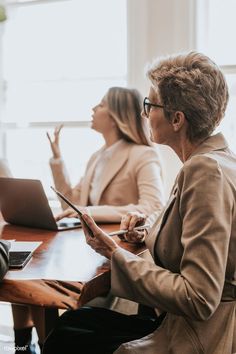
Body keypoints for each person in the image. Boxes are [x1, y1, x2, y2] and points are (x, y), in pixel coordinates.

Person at [43, 51, 236, 354]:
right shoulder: (217, 161)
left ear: (176, 119)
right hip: (182, 321)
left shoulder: (204, 171)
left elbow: (198, 297)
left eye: (150, 105)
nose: (144, 114)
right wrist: (147, 232)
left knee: (67, 334)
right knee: (74, 324)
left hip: (198, 335)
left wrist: (115, 254)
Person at [47, 86, 165, 223]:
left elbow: (153, 207)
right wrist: (57, 160)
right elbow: (70, 207)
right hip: (90, 241)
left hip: (122, 242)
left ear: (116, 117)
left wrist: (89, 212)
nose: (93, 108)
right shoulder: (96, 158)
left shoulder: (143, 155)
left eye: (101, 105)